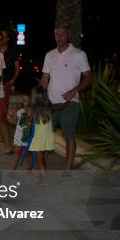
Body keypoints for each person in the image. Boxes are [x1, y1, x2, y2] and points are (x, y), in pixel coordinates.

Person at [40, 24, 92, 170]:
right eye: (56, 34)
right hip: (50, 104)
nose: (59, 37)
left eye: (62, 34)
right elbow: (45, 79)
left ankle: (68, 170)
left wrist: (74, 91)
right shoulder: (49, 55)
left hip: (70, 103)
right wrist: (39, 99)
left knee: (69, 136)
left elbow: (88, 78)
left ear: (68, 35)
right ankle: (43, 171)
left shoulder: (78, 54)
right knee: (43, 137)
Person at [27, 85, 54, 170]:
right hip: (47, 135)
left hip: (39, 137)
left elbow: (29, 122)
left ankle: (42, 181)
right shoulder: (48, 107)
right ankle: (42, 178)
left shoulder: (33, 109)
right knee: (42, 158)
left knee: (39, 160)